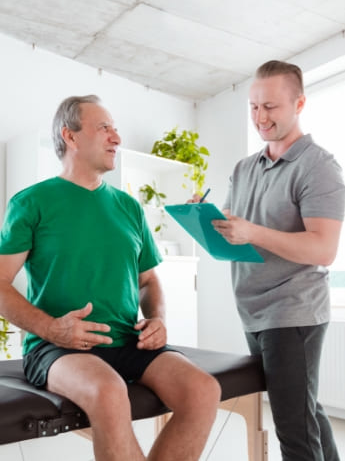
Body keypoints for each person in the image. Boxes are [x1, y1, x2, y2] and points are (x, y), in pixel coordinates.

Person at [0, 95, 221, 461]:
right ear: (69, 136)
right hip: (56, 348)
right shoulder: (31, 202)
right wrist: (53, 329)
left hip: (128, 341)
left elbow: (149, 281)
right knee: (108, 391)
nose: (116, 137)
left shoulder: (129, 207)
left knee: (202, 390)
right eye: (104, 127)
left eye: (115, 129)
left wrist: (158, 319)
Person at [194, 60, 345, 461]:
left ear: (299, 104)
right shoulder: (244, 169)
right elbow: (232, 237)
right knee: (305, 411)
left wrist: (253, 232)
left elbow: (323, 249)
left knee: (293, 429)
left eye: (271, 107)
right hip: (254, 310)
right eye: (253, 107)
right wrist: (203, 219)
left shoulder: (319, 167)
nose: (260, 117)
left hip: (293, 313)